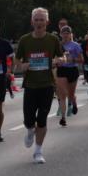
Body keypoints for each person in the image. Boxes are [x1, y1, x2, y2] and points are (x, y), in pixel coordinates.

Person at [15, 9, 65, 162]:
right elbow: (17, 61)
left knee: (42, 119)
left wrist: (60, 60)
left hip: (47, 84)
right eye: (36, 20)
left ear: (47, 23)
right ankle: (30, 130)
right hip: (30, 85)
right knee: (29, 120)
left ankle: (38, 152)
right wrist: (21, 66)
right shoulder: (24, 40)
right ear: (32, 22)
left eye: (41, 20)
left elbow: (62, 55)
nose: (39, 23)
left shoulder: (53, 40)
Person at [55, 25, 82, 127]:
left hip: (72, 70)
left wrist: (73, 59)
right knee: (63, 94)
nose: (65, 35)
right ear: (61, 34)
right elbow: (53, 57)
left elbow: (82, 60)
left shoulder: (75, 45)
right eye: (63, 33)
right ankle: (63, 118)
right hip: (61, 70)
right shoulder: (57, 45)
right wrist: (56, 61)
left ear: (71, 34)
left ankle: (73, 102)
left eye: (67, 33)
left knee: (70, 95)